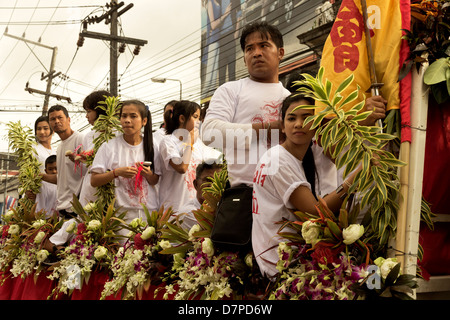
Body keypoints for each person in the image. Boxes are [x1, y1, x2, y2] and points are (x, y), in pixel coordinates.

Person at [252, 93, 363, 279]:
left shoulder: (287, 157)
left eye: (306, 117)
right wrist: (356, 177)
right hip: (282, 264)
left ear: (316, 125)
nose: (298, 124)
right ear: (282, 127)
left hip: (279, 255)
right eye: (291, 118)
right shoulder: (279, 160)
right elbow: (315, 211)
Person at [202, 21, 291, 187]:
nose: (256, 53)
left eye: (264, 46)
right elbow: (209, 133)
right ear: (244, 59)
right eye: (250, 48)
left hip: (285, 193)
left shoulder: (291, 100)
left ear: (280, 53)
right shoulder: (231, 90)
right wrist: (272, 128)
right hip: (244, 195)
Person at [90, 99, 160, 228]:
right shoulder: (109, 146)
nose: (127, 120)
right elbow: (94, 180)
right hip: (122, 216)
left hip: (149, 213)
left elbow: (155, 180)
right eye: (124, 116)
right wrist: (116, 173)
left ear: (144, 121)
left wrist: (148, 174)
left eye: (133, 116)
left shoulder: (153, 145)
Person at [158, 100, 202, 212]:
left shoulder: (198, 144)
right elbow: (182, 167)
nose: (199, 121)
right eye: (195, 117)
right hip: (173, 211)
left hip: (193, 209)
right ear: (182, 118)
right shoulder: (168, 142)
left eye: (199, 118)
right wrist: (189, 144)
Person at [42, 104, 85, 219]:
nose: (56, 121)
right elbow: (60, 178)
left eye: (60, 117)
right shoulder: (60, 147)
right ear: (50, 123)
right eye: (52, 119)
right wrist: (38, 176)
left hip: (77, 209)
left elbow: (89, 171)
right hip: (62, 209)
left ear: (68, 120)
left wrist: (80, 160)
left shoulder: (80, 139)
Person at [78, 90, 114, 207]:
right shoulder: (89, 135)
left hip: (113, 188)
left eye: (89, 111)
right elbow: (88, 166)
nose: (86, 116)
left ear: (101, 110)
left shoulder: (117, 133)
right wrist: (83, 158)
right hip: (91, 188)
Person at [176, 161, 222, 230]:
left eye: (218, 182)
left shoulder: (221, 210)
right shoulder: (189, 213)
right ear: (196, 184)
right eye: (208, 180)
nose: (212, 186)